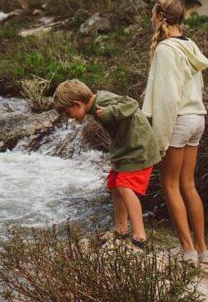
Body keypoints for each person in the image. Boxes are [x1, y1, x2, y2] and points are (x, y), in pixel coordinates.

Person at [142, 0, 208, 264]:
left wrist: (159, 138)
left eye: (152, 15)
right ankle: (202, 250)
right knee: (189, 185)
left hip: (179, 119)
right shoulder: (189, 45)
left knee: (170, 185)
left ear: (160, 17)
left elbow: (167, 99)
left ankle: (187, 250)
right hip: (197, 117)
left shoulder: (165, 49)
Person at [54, 80, 161, 249]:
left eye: (68, 113)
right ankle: (121, 229)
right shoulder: (96, 104)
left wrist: (111, 111)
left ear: (77, 104)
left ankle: (140, 235)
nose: (70, 118)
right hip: (126, 149)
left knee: (125, 186)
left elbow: (132, 103)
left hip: (139, 148)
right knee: (113, 184)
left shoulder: (102, 101)